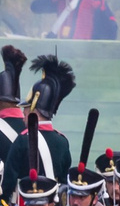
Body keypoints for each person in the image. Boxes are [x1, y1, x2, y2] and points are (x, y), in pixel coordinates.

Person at [6, 56, 77, 193]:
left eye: (26, 107)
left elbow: (9, 182)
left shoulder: (22, 140)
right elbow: (63, 181)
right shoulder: (62, 141)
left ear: (33, 107)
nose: (23, 113)